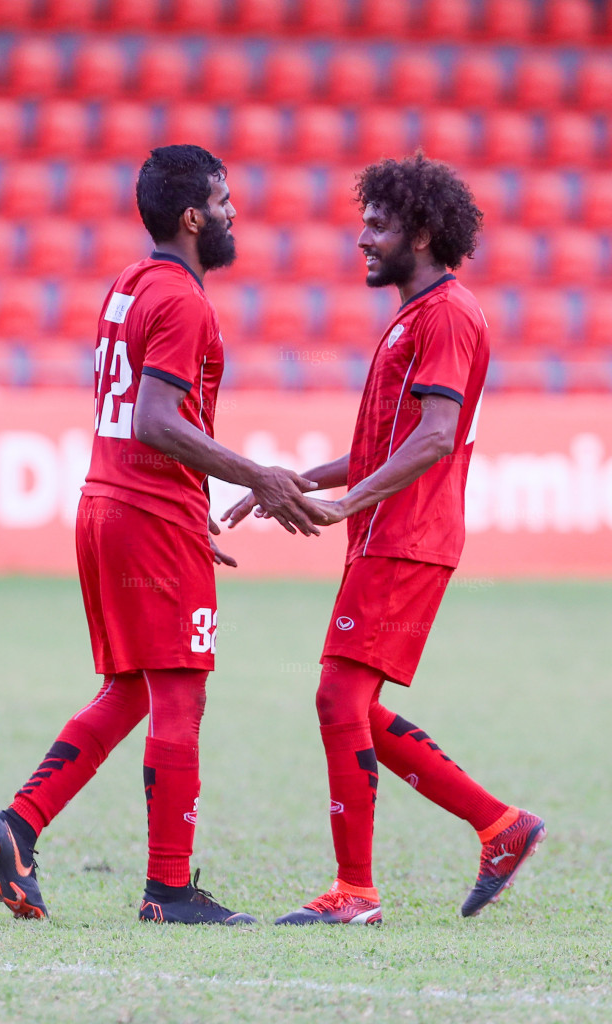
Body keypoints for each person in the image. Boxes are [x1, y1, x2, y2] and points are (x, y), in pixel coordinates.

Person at [0, 144, 326, 926]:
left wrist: (186, 494)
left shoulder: (127, 287)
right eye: (225, 201)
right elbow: (158, 418)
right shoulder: (186, 303)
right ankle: (168, 889)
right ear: (193, 216)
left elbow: (136, 417)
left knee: (133, 688)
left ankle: (18, 825)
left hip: (108, 504)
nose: (235, 214)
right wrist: (255, 476)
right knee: (180, 694)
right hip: (143, 517)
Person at [225, 154, 545, 926]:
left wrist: (351, 504)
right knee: (350, 706)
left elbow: (436, 438)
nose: (361, 239)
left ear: (425, 233)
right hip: (387, 531)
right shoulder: (418, 315)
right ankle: (501, 826)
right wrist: (300, 481)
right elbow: (389, 442)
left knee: (338, 696)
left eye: (378, 225)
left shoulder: (446, 316)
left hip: (407, 535)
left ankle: (357, 891)